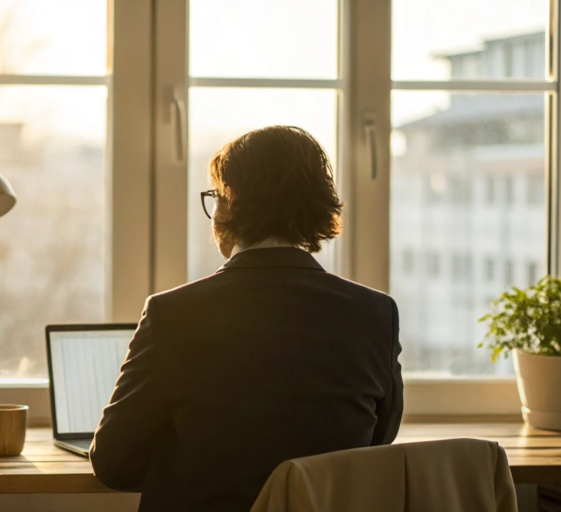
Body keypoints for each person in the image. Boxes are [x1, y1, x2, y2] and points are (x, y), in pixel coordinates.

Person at [90, 125, 403, 512]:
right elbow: (376, 442)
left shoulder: (174, 314)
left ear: (231, 198)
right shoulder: (376, 314)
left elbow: (113, 463)